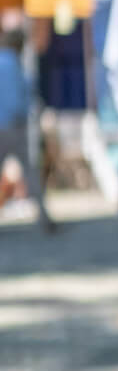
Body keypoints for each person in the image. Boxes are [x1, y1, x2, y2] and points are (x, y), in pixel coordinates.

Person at [0, 27, 55, 231]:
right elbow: (25, 97)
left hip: (7, 124)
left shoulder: (8, 62)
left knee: (29, 169)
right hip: (15, 125)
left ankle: (44, 217)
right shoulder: (14, 64)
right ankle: (43, 217)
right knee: (30, 171)